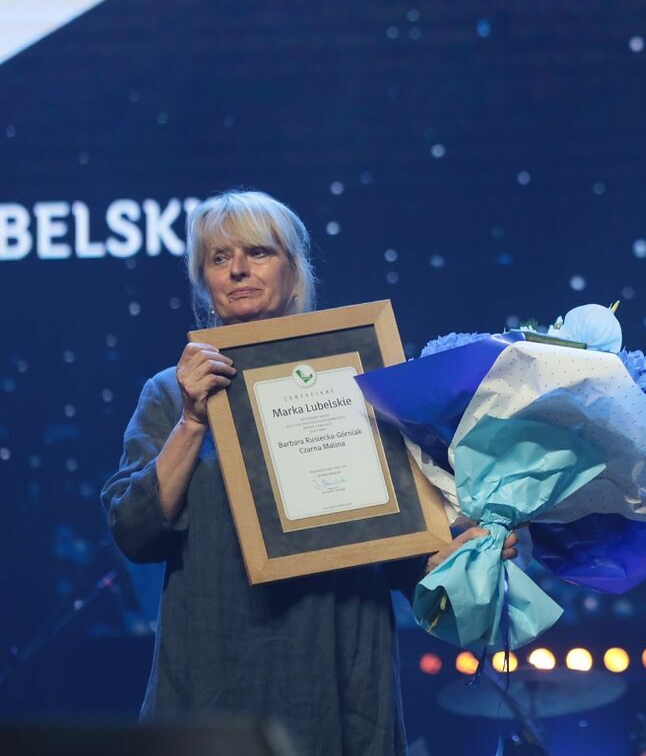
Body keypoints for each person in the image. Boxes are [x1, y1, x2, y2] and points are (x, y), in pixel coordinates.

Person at [102, 190, 515, 756]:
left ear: (294, 272)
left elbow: (403, 543)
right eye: (219, 258)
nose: (238, 269)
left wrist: (460, 552)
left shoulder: (363, 380)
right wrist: (194, 421)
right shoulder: (170, 394)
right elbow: (134, 530)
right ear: (204, 283)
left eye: (257, 252)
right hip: (210, 674)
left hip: (341, 673)